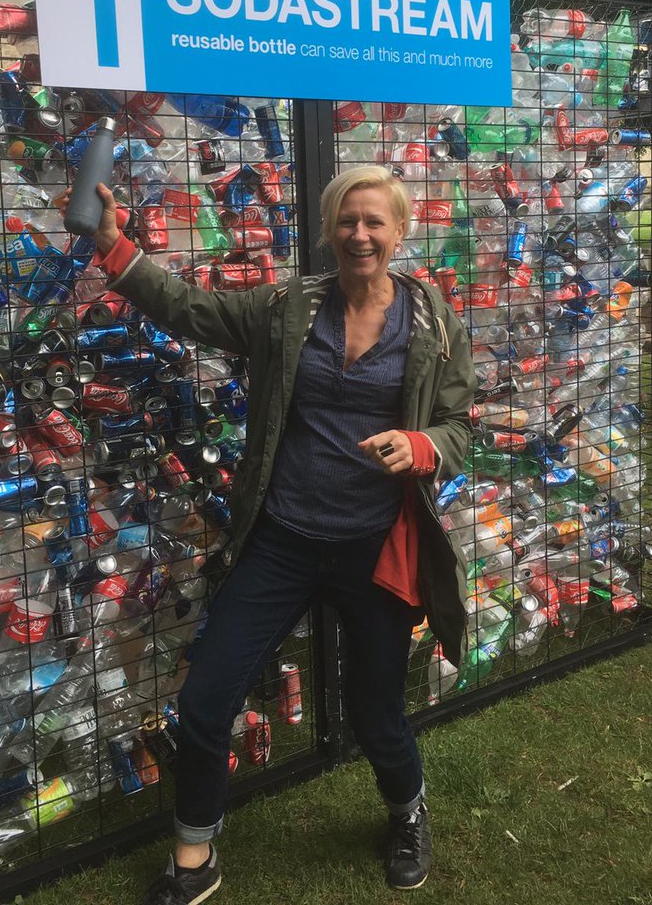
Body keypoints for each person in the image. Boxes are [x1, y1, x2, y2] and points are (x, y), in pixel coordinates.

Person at [58, 165, 475, 903]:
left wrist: (419, 447)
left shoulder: (435, 321)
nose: (360, 234)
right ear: (328, 230)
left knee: (375, 710)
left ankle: (407, 814)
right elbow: (193, 309)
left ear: (401, 232)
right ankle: (195, 858)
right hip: (282, 538)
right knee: (209, 696)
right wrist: (116, 250)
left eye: (376, 222)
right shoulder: (288, 307)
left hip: (375, 546)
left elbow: (459, 428)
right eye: (347, 221)